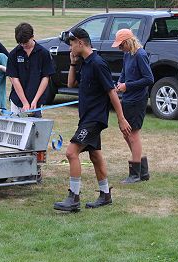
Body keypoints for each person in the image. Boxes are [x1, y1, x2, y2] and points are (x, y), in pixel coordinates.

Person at [53, 28, 131, 212]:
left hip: (95, 119)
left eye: (72, 43)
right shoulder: (85, 62)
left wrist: (121, 118)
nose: (70, 47)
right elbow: (71, 84)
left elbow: (111, 92)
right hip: (86, 118)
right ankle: (105, 195)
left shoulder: (97, 63)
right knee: (95, 155)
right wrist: (72, 64)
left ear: (80, 42)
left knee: (71, 153)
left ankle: (74, 197)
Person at [113, 29, 154, 184]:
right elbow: (124, 72)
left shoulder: (140, 55)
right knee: (126, 133)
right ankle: (142, 170)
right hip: (128, 98)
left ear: (128, 42)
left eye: (121, 45)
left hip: (138, 99)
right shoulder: (127, 54)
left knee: (133, 134)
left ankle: (135, 174)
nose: (119, 48)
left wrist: (127, 86)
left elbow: (149, 79)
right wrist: (120, 83)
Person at [5, 22, 55, 117]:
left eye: (26, 42)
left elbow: (45, 78)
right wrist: (24, 102)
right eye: (20, 43)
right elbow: (14, 79)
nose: (23, 45)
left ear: (32, 37)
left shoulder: (43, 53)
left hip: (36, 100)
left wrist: (35, 100)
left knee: (35, 128)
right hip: (18, 100)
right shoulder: (14, 54)